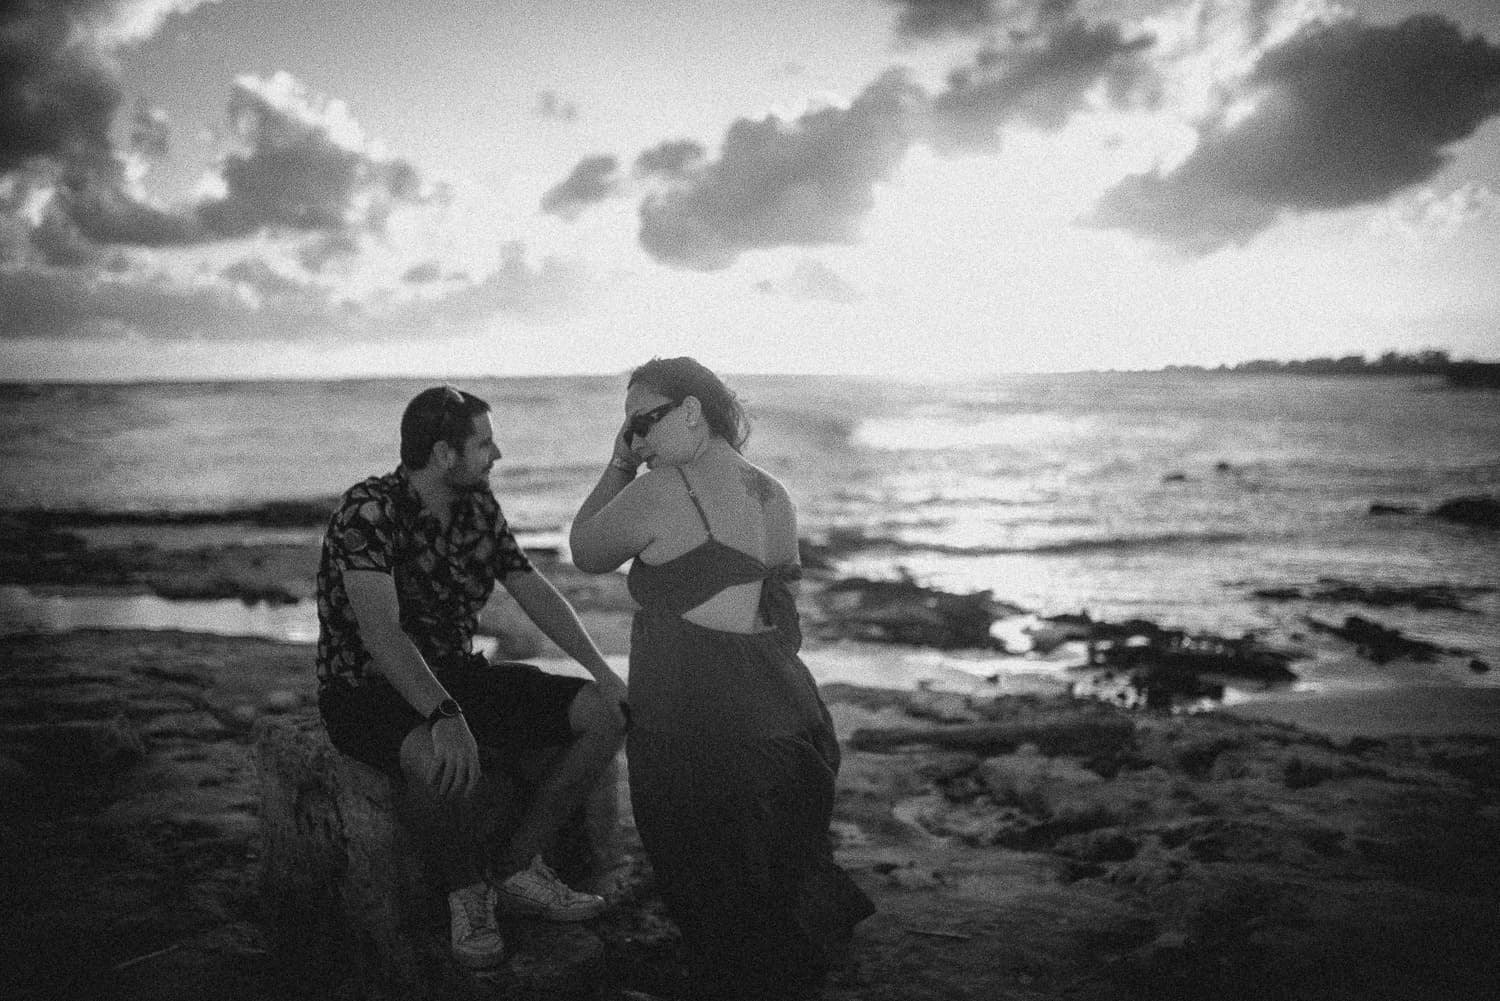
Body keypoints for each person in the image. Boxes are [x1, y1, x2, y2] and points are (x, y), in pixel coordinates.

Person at [569, 357, 874, 999]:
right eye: (628, 431)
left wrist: (619, 468)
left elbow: (586, 551)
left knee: (708, 895)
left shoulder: (658, 488)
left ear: (690, 413)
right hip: (781, 711)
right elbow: (773, 616)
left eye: (643, 423)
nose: (637, 441)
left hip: (694, 719)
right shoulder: (775, 493)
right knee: (771, 888)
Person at [315, 385, 628, 971]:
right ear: (443, 454)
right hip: (366, 691)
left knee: (605, 715)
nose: (498, 454)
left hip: (457, 676)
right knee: (444, 764)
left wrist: (601, 671)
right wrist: (444, 716)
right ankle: (468, 894)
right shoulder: (369, 511)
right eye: (484, 443)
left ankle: (514, 868)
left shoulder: (477, 505)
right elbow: (382, 634)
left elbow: (529, 585)